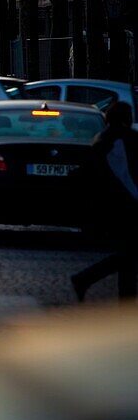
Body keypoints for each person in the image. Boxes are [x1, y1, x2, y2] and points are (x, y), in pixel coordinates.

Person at [71, 101, 138, 302]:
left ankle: (122, 297)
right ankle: (86, 279)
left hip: (113, 204)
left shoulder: (101, 139)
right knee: (129, 254)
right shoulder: (126, 139)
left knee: (128, 254)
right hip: (127, 202)